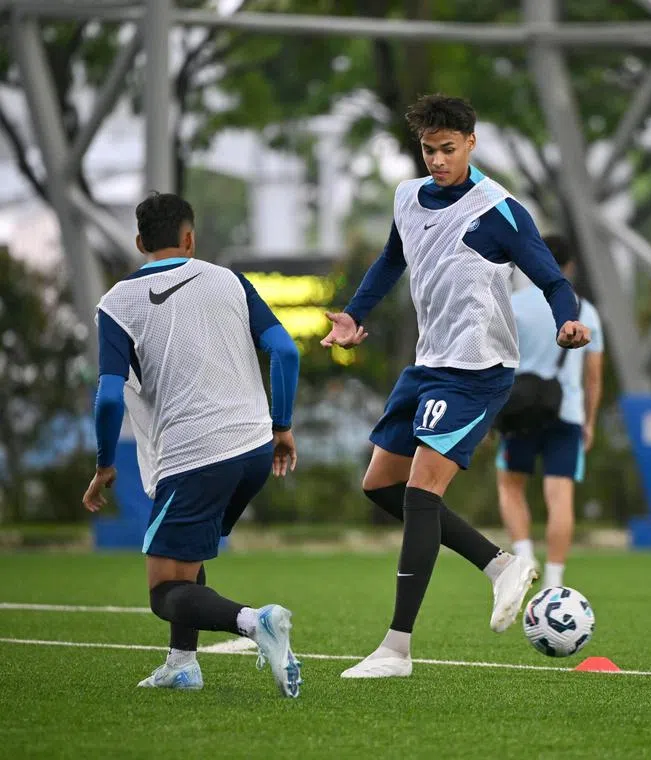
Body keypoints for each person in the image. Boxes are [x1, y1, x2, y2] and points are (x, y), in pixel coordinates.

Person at [321, 94, 591, 679]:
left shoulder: (500, 210)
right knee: (380, 484)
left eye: (448, 149)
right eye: (428, 150)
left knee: (421, 493)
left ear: (471, 143)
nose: (437, 160)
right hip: (426, 365)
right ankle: (500, 565)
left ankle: (396, 649)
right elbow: (392, 260)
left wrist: (567, 318)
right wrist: (355, 314)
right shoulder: (407, 199)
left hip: (477, 371)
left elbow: (550, 278)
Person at [82, 192, 303, 697]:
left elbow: (109, 397)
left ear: (139, 243)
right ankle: (182, 664)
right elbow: (285, 350)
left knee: (164, 591)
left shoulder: (118, 302)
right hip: (251, 449)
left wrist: (103, 465)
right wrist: (282, 425)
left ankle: (255, 622)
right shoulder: (228, 279)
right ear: (189, 239)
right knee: (189, 553)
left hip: (194, 454)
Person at [496, 234, 605, 589]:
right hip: (566, 412)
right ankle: (554, 581)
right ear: (570, 266)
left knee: (511, 486)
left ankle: (525, 559)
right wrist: (589, 421)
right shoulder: (585, 310)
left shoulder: (514, 304)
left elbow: (496, 362)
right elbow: (593, 378)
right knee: (559, 496)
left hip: (519, 410)